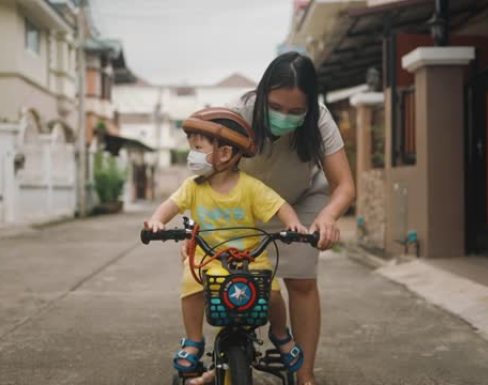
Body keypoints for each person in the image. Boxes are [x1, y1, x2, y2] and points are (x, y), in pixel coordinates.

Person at [144, 107, 309, 385]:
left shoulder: (250, 187)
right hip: (207, 259)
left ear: (224, 154)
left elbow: (280, 205)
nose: (191, 155)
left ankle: (280, 333)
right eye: (191, 147)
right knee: (190, 285)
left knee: (273, 291)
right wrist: (156, 222)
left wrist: (294, 225)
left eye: (198, 147)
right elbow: (169, 206)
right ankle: (194, 340)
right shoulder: (192, 187)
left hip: (249, 259)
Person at [226, 51, 355, 385]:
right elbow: (208, 174)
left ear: (310, 106)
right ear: (263, 93)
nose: (284, 117)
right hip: (246, 205)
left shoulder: (320, 119)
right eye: (276, 107)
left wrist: (328, 217)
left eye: (296, 111)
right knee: (249, 281)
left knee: (300, 281)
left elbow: (344, 185)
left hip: (300, 202)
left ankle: (305, 374)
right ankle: (233, 356)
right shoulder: (238, 113)